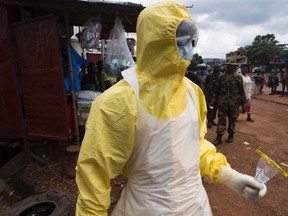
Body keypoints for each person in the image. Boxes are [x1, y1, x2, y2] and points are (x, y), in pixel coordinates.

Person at [75, 2, 266, 215]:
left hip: (196, 205)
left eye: (190, 40)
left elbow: (196, 145)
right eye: (179, 40)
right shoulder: (118, 101)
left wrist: (229, 176)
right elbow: (94, 176)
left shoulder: (193, 92)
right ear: (155, 42)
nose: (187, 47)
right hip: (146, 208)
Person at [212, 63, 246, 145]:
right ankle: (219, 137)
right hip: (223, 102)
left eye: (232, 66)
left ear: (234, 67)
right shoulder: (222, 76)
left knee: (232, 119)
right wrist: (213, 99)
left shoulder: (238, 77)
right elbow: (217, 89)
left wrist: (243, 104)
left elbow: (241, 91)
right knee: (221, 119)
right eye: (228, 66)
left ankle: (231, 135)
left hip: (234, 103)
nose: (229, 68)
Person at [205, 64, 222, 128]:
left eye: (218, 67)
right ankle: (209, 121)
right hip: (210, 95)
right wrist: (206, 93)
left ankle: (212, 120)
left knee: (215, 108)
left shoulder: (221, 76)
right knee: (210, 108)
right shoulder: (210, 75)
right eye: (215, 67)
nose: (217, 69)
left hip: (218, 95)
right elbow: (206, 84)